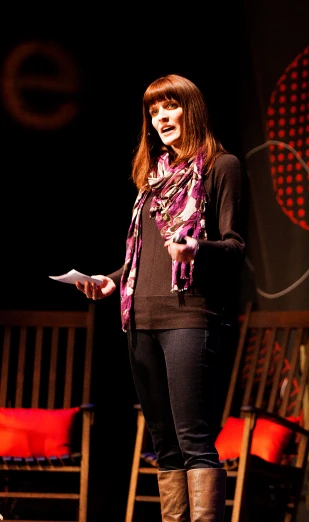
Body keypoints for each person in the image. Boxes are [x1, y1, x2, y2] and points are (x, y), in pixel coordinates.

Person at [75, 73, 246, 522]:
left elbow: (235, 246)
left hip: (190, 316)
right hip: (141, 321)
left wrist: (196, 249)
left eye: (168, 107)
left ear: (190, 110)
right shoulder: (153, 177)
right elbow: (144, 254)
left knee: (193, 440)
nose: (160, 118)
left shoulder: (221, 166)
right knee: (163, 444)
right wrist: (112, 279)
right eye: (153, 111)